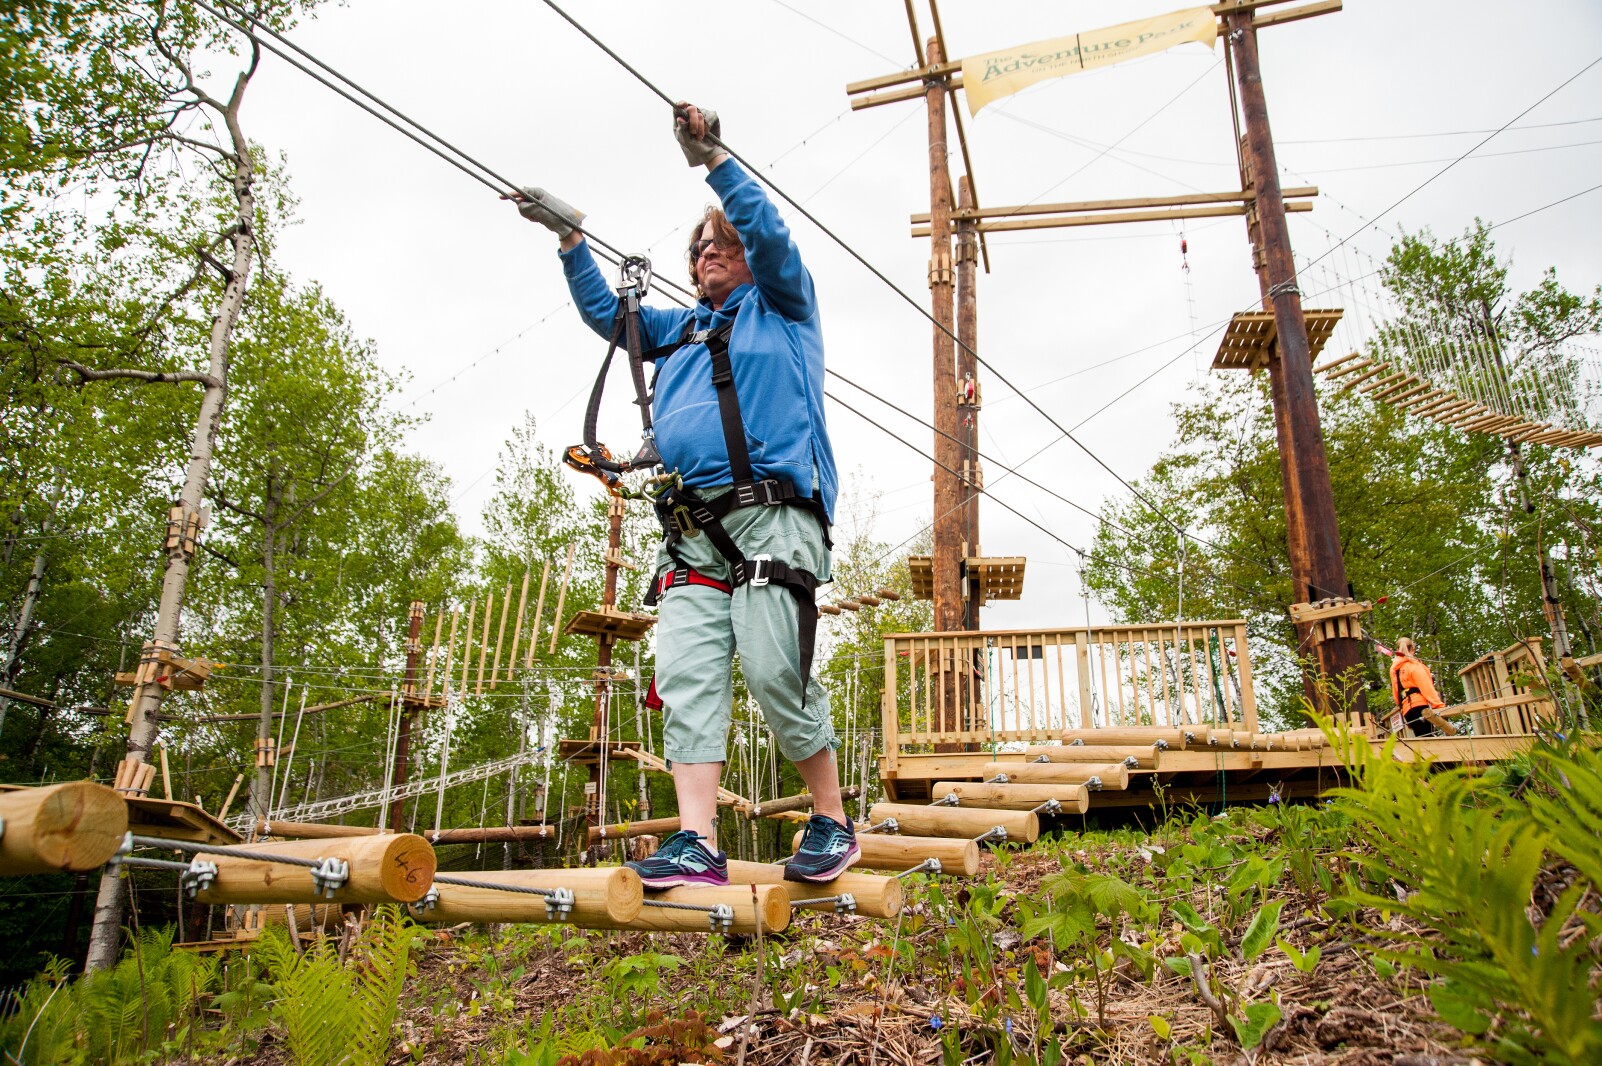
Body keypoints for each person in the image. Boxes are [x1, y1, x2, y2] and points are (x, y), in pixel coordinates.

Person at [514, 104, 858, 888]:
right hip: (693, 533)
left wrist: (715, 163)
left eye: (722, 244)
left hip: (773, 515)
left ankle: (833, 818)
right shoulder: (683, 330)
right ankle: (696, 838)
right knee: (689, 681)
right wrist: (570, 242)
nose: (710, 254)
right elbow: (610, 315)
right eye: (701, 247)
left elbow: (771, 239)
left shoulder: (785, 310)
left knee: (777, 672)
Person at [1388, 637, 1446, 737]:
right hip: (1421, 706)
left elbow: (1396, 694)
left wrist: (1403, 711)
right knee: (1428, 738)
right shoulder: (1414, 666)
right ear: (1413, 648)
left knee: (1421, 738)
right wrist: (1439, 706)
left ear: (1397, 650)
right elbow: (1427, 688)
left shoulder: (1395, 669)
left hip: (1407, 709)